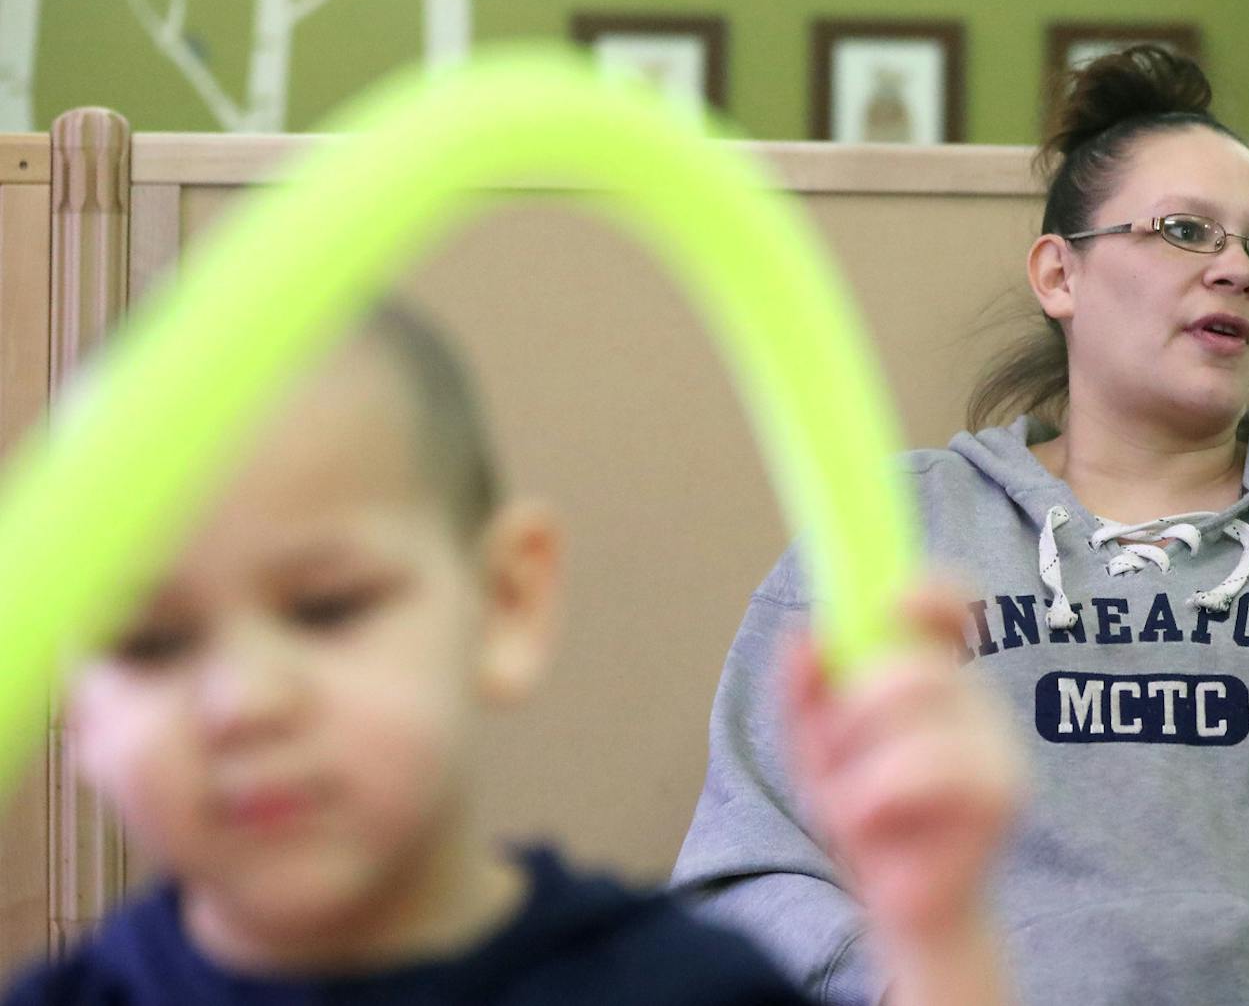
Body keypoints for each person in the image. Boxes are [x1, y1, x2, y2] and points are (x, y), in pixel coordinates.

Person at [674, 46, 1249, 1005]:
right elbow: (746, 870)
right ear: (1060, 274)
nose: (1237, 269)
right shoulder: (897, 523)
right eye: (1187, 231)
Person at [6, 308, 1018, 1006]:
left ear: (504, 601)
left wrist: (935, 935)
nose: (244, 701)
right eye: (148, 642)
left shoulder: (681, 990)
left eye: (327, 608)